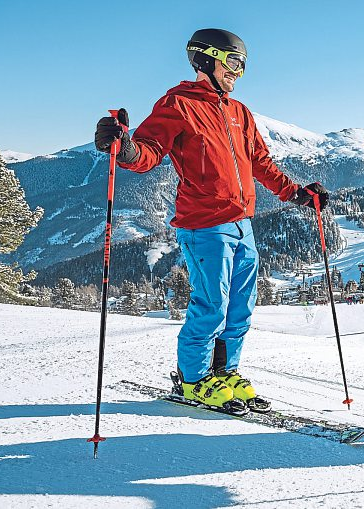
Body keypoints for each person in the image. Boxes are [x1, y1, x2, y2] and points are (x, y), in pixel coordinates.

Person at [94, 28, 328, 412]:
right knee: (211, 306)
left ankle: (225, 373)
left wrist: (297, 194)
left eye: (243, 66)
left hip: (242, 224)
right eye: (233, 62)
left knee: (241, 306)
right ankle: (193, 380)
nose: (238, 72)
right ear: (207, 60)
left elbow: (260, 164)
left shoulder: (239, 112)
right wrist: (125, 148)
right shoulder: (178, 103)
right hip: (204, 224)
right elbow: (150, 152)